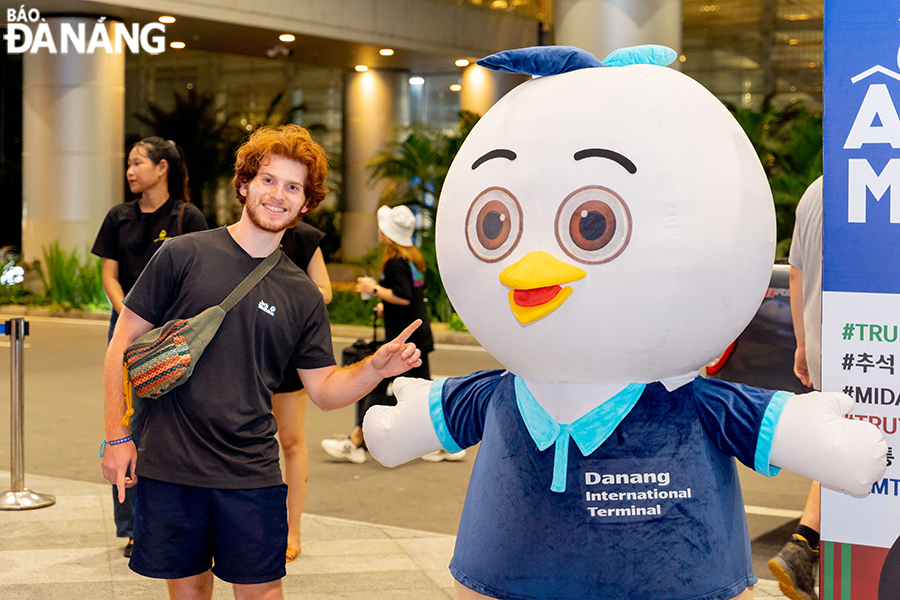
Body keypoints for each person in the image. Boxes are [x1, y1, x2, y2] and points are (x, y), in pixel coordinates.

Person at [100, 124, 423, 600]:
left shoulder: (302, 295)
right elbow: (120, 345)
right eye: (269, 180)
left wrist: (375, 368)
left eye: (293, 187)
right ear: (245, 184)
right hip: (171, 465)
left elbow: (325, 390)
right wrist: (116, 435)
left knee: (262, 592)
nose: (278, 195)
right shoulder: (182, 255)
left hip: (250, 472)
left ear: (306, 203)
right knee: (188, 592)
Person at [91, 136, 207, 557]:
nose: (130, 171)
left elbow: (198, 277)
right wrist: (131, 319)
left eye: (138, 163)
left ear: (162, 168)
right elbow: (109, 276)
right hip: (125, 333)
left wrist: (156, 324)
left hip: (170, 337)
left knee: (177, 426)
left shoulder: (187, 217)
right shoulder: (118, 217)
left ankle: (180, 520)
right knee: (126, 428)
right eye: (128, 164)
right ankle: (133, 527)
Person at [321, 205, 462, 463]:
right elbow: (413, 294)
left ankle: (356, 442)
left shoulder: (396, 261)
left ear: (388, 232)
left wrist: (374, 289)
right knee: (422, 391)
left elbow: (404, 296)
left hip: (403, 340)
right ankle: (444, 442)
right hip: (417, 334)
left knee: (378, 385)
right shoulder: (412, 258)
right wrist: (385, 304)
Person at [768, 175, 823, 600]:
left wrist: (804, 343)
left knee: (851, 437)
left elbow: (797, 273)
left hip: (827, 341)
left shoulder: (815, 191)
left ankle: (804, 543)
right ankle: (806, 544)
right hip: (876, 343)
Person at [272, 222, 332, 562]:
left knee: (291, 442)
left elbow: (324, 291)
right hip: (241, 351)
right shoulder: (234, 235)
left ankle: (292, 531)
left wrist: (282, 288)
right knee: (234, 439)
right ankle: (229, 530)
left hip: (288, 354)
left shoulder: (305, 238)